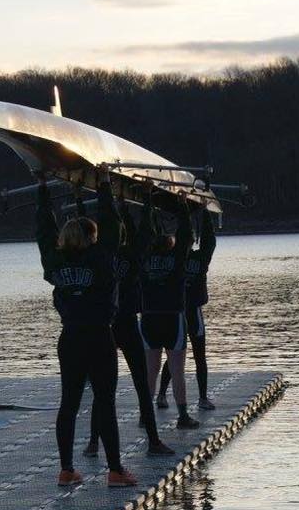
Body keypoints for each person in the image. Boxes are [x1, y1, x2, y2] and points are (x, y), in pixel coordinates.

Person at [35, 165, 137, 488]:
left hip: (70, 339)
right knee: (105, 401)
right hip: (99, 338)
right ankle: (115, 471)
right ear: (92, 239)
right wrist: (104, 185)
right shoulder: (101, 258)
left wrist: (42, 189)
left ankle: (66, 469)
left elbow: (44, 232)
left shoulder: (55, 262)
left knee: (69, 403)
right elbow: (112, 226)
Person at [83, 193, 175, 458]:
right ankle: (153, 441)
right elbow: (145, 234)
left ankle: (93, 443)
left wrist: (95, 203)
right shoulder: (132, 255)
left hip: (105, 326)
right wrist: (146, 202)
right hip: (127, 324)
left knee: (103, 389)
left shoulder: (99, 255)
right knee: (141, 386)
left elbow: (88, 228)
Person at [139, 192, 199, 429]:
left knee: (150, 371)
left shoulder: (144, 258)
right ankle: (183, 416)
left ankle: (145, 416)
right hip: (173, 318)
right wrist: (183, 207)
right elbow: (185, 235)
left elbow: (143, 233)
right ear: (171, 245)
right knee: (177, 371)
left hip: (149, 318)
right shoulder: (178, 257)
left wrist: (146, 204)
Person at [157, 203, 216, 411]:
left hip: (186, 312)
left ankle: (198, 397)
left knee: (186, 356)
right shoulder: (177, 258)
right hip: (182, 312)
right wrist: (204, 213)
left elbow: (208, 240)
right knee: (181, 356)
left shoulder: (185, 258)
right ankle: (164, 395)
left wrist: (204, 215)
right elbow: (208, 241)